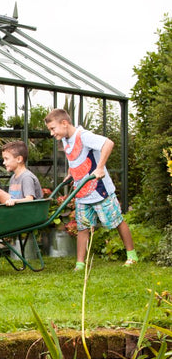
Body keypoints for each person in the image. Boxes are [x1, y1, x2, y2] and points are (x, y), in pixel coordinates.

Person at [44, 108, 137, 270]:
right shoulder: (66, 139)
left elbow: (108, 143)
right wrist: (71, 172)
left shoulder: (83, 136)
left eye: (53, 129)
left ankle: (132, 255)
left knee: (116, 221)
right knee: (83, 227)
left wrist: (100, 167)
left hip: (99, 190)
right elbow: (75, 158)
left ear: (64, 123)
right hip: (81, 191)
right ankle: (80, 264)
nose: (52, 133)